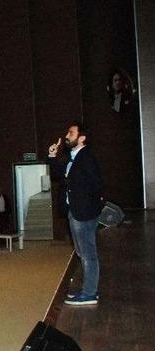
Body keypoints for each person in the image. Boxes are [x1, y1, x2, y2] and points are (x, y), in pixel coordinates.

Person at [48, 123, 104, 306]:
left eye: (71, 133)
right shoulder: (72, 157)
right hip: (74, 211)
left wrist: (88, 207)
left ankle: (89, 293)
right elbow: (57, 176)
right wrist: (52, 155)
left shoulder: (86, 157)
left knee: (88, 254)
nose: (67, 135)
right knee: (82, 252)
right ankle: (88, 289)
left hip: (84, 212)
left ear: (82, 138)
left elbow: (96, 185)